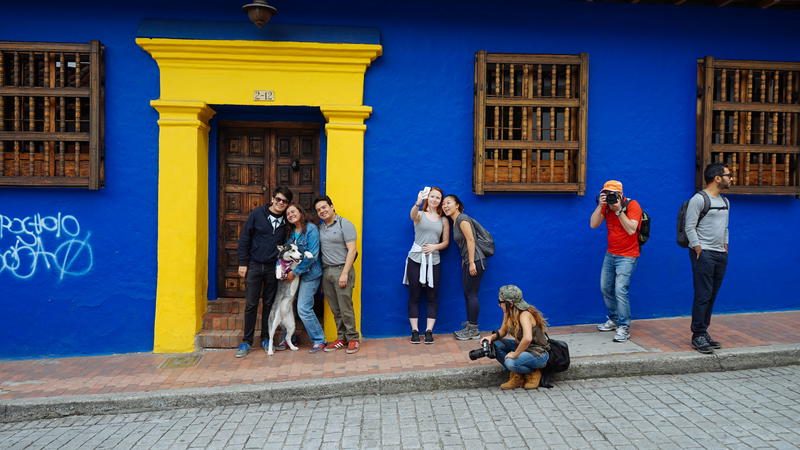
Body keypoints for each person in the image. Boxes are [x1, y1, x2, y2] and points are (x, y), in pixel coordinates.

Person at [235, 186, 293, 358]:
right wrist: (243, 262)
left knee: (269, 304)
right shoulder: (257, 214)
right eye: (278, 199)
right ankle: (246, 341)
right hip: (253, 265)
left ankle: (266, 338)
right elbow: (245, 237)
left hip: (272, 268)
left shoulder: (286, 220)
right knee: (251, 304)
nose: (281, 203)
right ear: (272, 198)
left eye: (284, 201)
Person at [685, 163, 732, 354]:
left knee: (711, 295)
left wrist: (725, 246)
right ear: (717, 178)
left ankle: (704, 331)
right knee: (703, 294)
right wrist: (698, 248)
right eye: (728, 175)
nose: (731, 178)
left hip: (720, 254)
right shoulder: (698, 199)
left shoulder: (726, 202)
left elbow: (725, 227)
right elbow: (690, 226)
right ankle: (698, 335)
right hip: (703, 253)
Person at [589, 180, 642, 343]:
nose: (610, 197)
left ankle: (624, 326)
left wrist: (619, 211)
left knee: (620, 289)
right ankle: (614, 319)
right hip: (610, 254)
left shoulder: (633, 206)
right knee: (605, 287)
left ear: (620, 194)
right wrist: (600, 205)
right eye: (606, 193)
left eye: (613, 194)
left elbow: (631, 229)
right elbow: (593, 224)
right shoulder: (605, 206)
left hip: (628, 255)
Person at [480, 285, 550, 390]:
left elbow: (527, 338)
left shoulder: (524, 315)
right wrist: (490, 337)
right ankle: (518, 376)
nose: (499, 305)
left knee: (510, 362)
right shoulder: (508, 312)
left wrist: (515, 354)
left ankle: (533, 372)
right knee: (493, 344)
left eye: (500, 302)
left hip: (538, 353)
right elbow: (503, 331)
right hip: (523, 348)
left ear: (510, 304)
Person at [403, 187, 449, 344]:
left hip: (433, 261)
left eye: (438, 198)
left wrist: (434, 247)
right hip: (416, 259)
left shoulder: (443, 220)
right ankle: (415, 331)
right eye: (432, 196)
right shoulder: (420, 215)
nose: (435, 199)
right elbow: (412, 216)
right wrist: (418, 202)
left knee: (432, 296)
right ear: (428, 198)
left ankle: (429, 331)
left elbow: (446, 242)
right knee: (414, 296)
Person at [315, 195, 360, 354]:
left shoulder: (344, 224)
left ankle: (353, 338)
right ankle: (341, 338)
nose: (322, 211)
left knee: (345, 306)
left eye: (324, 207)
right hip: (327, 272)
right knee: (335, 308)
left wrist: (345, 273)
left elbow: (352, 250)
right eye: (319, 210)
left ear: (332, 206)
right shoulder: (320, 228)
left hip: (342, 269)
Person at [442, 194, 487, 340]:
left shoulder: (462, 218)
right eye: (443, 204)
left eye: (448, 203)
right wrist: (465, 259)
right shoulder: (455, 221)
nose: (445, 206)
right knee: (468, 294)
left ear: (457, 205)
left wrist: (472, 262)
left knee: (472, 294)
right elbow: (464, 244)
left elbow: (470, 239)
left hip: (476, 261)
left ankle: (474, 329)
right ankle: (470, 326)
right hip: (469, 261)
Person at [284, 203, 326, 353]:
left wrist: (295, 272)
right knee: (287, 307)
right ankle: (289, 338)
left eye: (293, 211)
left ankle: (319, 340)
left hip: (310, 274)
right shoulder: (290, 233)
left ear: (301, 212)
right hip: (293, 276)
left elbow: (313, 255)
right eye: (288, 214)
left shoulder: (311, 229)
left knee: (303, 308)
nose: (290, 215)